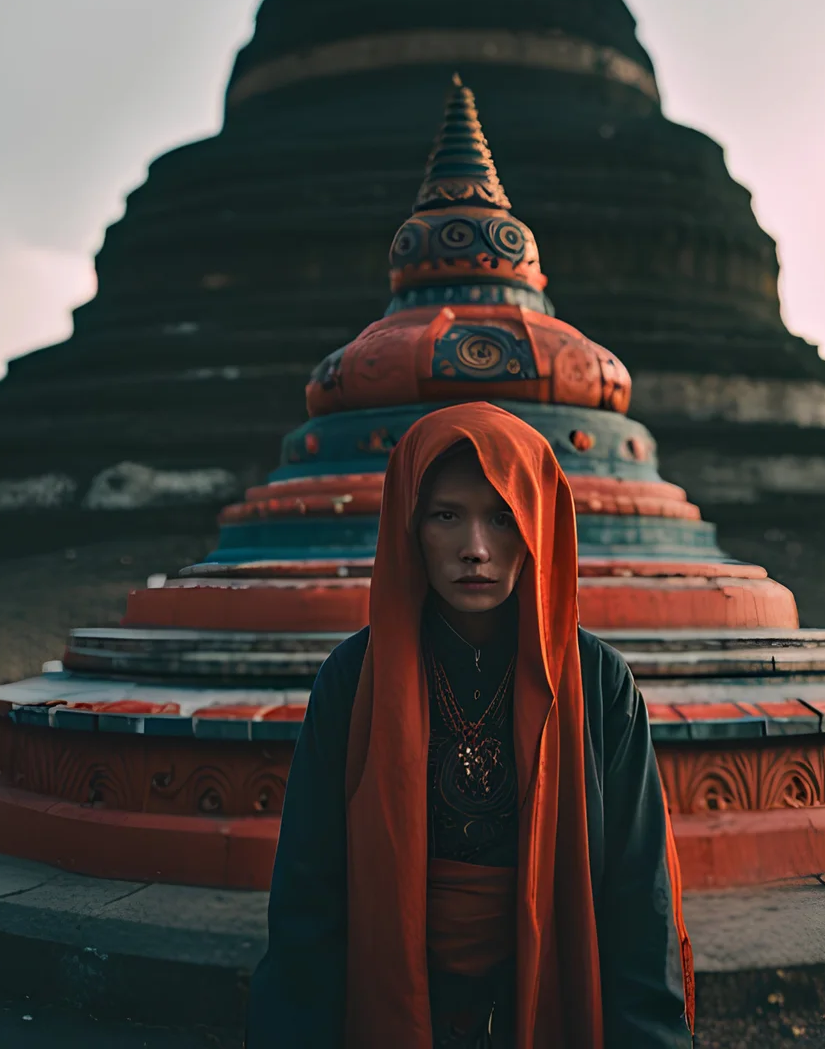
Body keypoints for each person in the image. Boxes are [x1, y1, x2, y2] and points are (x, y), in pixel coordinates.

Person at [247, 401, 695, 1048]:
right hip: (393, 984)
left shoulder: (597, 682)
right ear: (410, 525)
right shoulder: (353, 680)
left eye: (503, 517)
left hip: (552, 980)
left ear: (538, 528)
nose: (475, 550)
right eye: (446, 516)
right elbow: (309, 896)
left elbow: (635, 893)